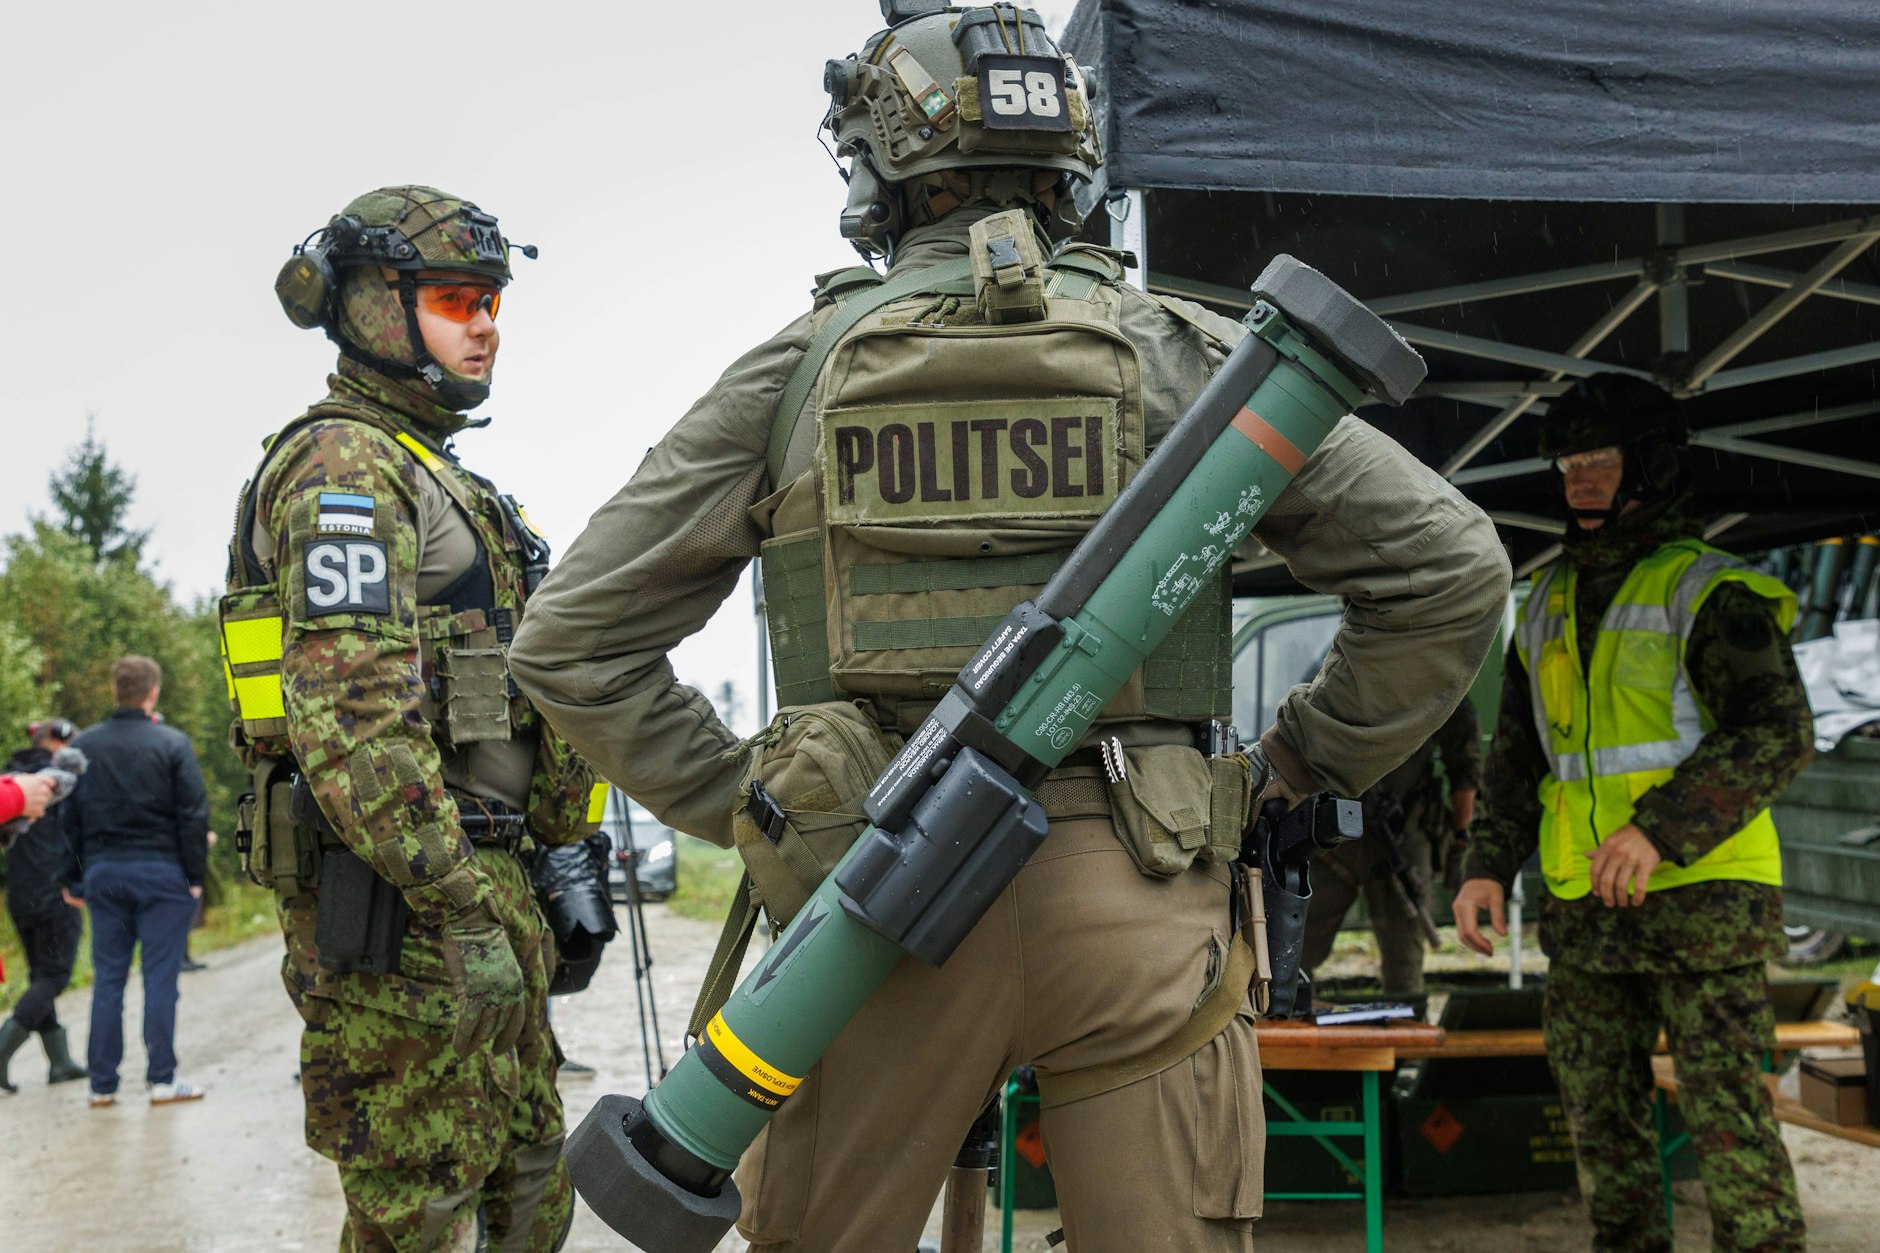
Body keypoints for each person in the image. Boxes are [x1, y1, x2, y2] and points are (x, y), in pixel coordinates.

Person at [507, 7, 1510, 1249]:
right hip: (1145, 893)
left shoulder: (795, 377)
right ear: (1072, 167)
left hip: (866, 907)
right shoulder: (1187, 357)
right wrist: (1294, 768)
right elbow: (1451, 566)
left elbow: (569, 642)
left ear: (874, 169)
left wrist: (757, 809)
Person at [222, 185, 603, 1251]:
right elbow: (352, 718)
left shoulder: (435, 470)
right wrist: (457, 900)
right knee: (418, 1213)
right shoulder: (343, 466)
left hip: (483, 888)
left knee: (526, 1195)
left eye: (492, 300)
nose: (484, 323)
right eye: (454, 297)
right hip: (408, 913)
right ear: (377, 307)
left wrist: (561, 852)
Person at [1452, 374, 1810, 1253]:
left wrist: (1659, 828)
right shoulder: (1541, 604)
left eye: (1600, 459)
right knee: (1601, 1133)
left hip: (1707, 907)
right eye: (1570, 461)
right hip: (1585, 915)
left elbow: (1779, 732)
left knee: (1730, 1133)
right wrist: (1485, 867)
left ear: (1648, 462)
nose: (1579, 479)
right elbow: (1517, 761)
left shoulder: (1711, 592)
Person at [58, 657, 210, 1107]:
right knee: (160, 978)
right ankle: (162, 1080)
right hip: (162, 874)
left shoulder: (84, 747)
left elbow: (69, 818)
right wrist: (195, 876)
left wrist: (73, 878)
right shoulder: (172, 743)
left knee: (108, 979)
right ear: (153, 693)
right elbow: (193, 815)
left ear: (114, 690)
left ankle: (101, 1085)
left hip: (105, 874)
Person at [1301, 698, 1479, 996]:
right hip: (1336, 837)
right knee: (1294, 950)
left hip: (1400, 837)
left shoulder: (1440, 680)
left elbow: (1465, 768)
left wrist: (1461, 841)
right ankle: (1285, 1030)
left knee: (1404, 966)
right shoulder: (1353, 667)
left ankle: (1407, 1034)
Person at [0, 719, 89, 1092]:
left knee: (41, 975)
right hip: (54, 891)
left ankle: (60, 1062)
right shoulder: (58, 782)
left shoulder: (10, 778)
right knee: (55, 975)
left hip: (18, 894)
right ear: (56, 743)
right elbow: (78, 832)